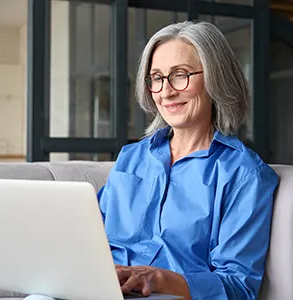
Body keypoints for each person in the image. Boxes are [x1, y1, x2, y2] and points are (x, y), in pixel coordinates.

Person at [97, 20, 279, 300]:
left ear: (216, 78)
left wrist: (158, 278)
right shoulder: (130, 158)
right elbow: (86, 233)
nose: (166, 91)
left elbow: (237, 287)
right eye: (156, 78)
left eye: (180, 75)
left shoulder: (244, 175)